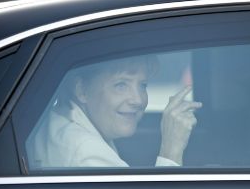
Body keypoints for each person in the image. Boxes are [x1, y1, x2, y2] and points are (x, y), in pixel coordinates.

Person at [26, 55, 202, 169]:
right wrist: (170, 151)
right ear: (81, 90)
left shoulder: (56, 123)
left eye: (143, 85)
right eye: (121, 85)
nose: (139, 100)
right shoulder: (87, 155)